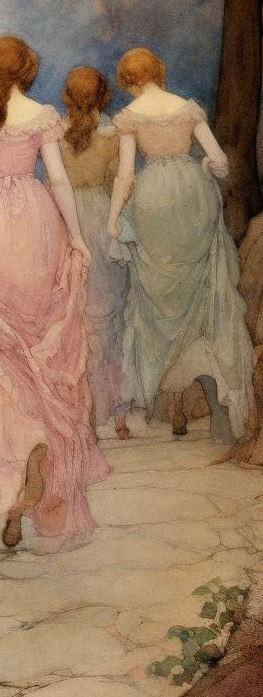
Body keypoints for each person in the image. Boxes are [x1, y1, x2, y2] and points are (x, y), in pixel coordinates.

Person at [0, 36, 109, 548]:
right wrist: (76, 238)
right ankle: (36, 444)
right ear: (28, 70)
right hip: (35, 233)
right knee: (35, 349)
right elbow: (57, 182)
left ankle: (10, 464)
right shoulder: (41, 117)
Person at [108, 47, 253, 442]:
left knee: (159, 302)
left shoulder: (130, 116)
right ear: (159, 72)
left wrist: (113, 219)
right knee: (203, 295)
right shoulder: (187, 109)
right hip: (194, 197)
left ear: (129, 80)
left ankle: (170, 397)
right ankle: (212, 398)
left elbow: (126, 176)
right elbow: (220, 162)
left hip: (153, 201)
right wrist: (202, 167)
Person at [60, 67, 130, 438]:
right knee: (110, 319)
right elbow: (122, 185)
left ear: (67, 98)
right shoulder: (113, 135)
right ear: (104, 97)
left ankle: (84, 411)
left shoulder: (55, 134)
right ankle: (117, 413)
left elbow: (53, 184)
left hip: (66, 223)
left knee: (75, 318)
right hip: (102, 223)